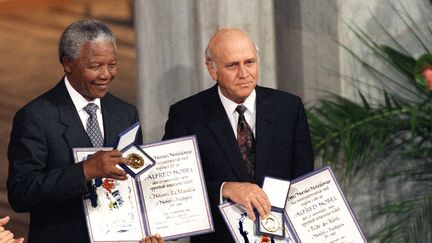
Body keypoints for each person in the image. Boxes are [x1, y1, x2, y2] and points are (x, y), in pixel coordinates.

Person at [7, 19, 164, 243]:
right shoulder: (35, 117)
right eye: (95, 66)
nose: (106, 74)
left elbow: (134, 182)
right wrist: (84, 171)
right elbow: (21, 194)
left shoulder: (125, 113)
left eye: (112, 64)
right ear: (68, 64)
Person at [163, 28, 314, 242]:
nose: (244, 73)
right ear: (212, 70)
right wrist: (226, 189)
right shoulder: (186, 115)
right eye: (232, 65)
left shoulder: (289, 108)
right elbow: (173, 185)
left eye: (249, 62)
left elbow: (304, 179)